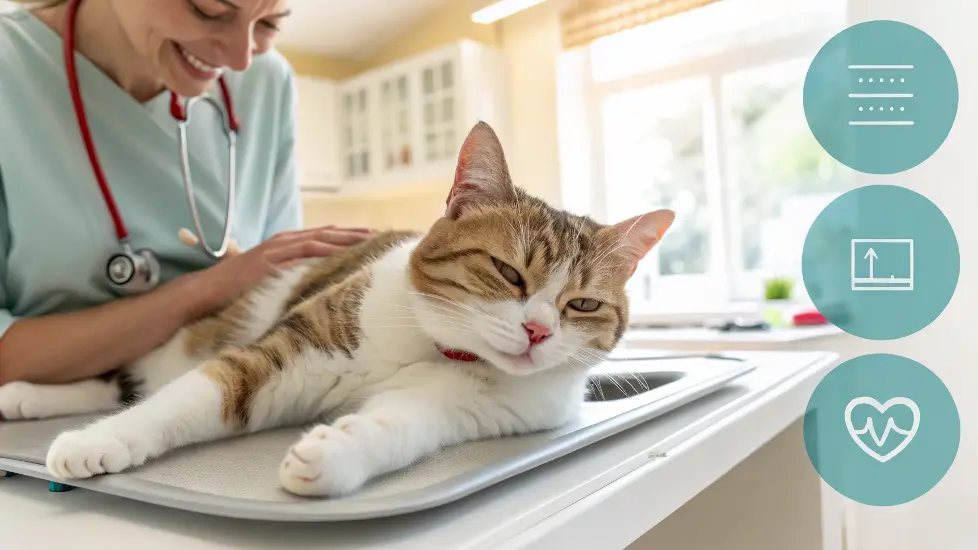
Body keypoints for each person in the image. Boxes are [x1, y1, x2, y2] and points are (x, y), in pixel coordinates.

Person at [0, 0, 371, 385]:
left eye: (269, 23)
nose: (241, 57)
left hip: (221, 415)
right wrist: (205, 291)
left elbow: (283, 303)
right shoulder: (9, 66)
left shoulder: (265, 82)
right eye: (208, 10)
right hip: (36, 430)